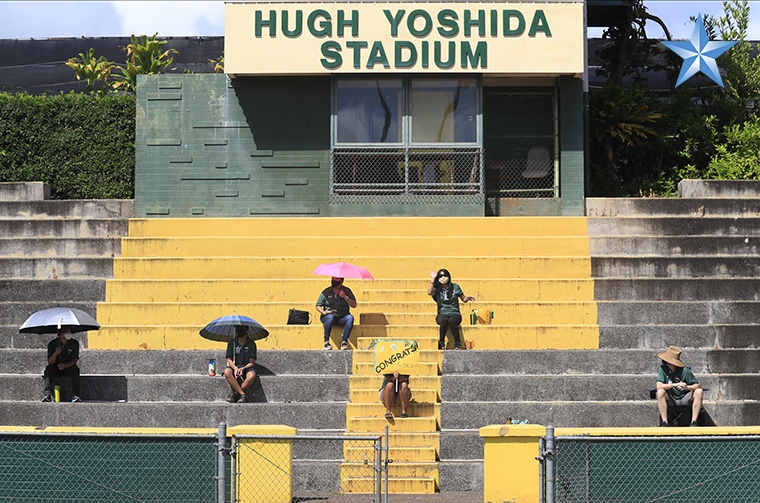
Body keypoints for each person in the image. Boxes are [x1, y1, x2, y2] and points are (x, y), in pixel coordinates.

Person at [427, 268, 476, 350]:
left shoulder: (455, 287)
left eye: (445, 275)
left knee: (452, 320)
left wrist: (468, 298)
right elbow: (429, 292)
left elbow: (463, 299)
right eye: (440, 276)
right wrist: (433, 279)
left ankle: (457, 343)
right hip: (442, 313)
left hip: (455, 313)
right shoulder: (437, 288)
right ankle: (441, 342)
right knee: (444, 319)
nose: (443, 278)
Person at [656, 345, 703, 426]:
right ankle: (665, 422)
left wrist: (687, 387)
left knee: (699, 391)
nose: (665, 362)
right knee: (660, 392)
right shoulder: (663, 369)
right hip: (671, 398)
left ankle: (694, 422)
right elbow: (659, 385)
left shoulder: (685, 371)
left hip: (684, 397)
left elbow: (697, 384)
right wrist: (674, 385)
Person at [316, 276, 357, 350]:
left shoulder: (347, 291)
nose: (334, 280)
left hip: (342, 317)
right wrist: (324, 312)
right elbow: (318, 305)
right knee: (330, 317)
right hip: (329, 317)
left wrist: (345, 297)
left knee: (350, 318)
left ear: (342, 281)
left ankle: (344, 342)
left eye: (336, 279)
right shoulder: (326, 291)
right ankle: (326, 342)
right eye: (333, 279)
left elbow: (354, 305)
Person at [42, 326, 81, 402]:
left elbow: (74, 360)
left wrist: (65, 365)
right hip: (55, 367)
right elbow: (50, 362)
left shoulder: (74, 343)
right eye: (66, 331)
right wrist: (55, 353)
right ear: (60, 333)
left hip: (68, 367)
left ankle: (75, 395)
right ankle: (47, 395)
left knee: (75, 369)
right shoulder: (52, 344)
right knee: (48, 369)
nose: (68, 333)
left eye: (69, 331)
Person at [223, 325, 257, 403]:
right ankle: (242, 394)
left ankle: (235, 393)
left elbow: (252, 362)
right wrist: (235, 368)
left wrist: (243, 368)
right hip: (234, 366)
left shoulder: (251, 344)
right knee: (227, 372)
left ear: (247, 331)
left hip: (246, 367)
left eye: (242, 329)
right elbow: (229, 359)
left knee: (252, 375)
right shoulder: (232, 342)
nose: (239, 330)